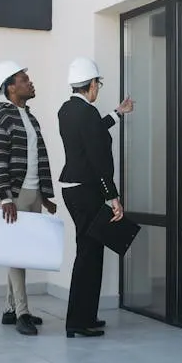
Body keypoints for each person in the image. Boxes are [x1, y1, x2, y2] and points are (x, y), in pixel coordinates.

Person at [57, 57, 133, 338]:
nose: (97, 89)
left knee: (88, 252)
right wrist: (112, 196)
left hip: (72, 189)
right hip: (86, 190)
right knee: (89, 254)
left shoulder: (67, 110)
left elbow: (91, 134)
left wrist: (117, 113)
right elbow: (98, 156)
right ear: (91, 84)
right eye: (97, 84)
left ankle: (84, 316)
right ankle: (78, 322)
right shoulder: (87, 114)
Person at [0, 61, 57, 336]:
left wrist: (46, 196)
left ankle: (9, 308)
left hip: (34, 193)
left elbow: (40, 158)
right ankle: (22, 313)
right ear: (10, 87)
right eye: (24, 79)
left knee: (20, 252)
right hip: (14, 195)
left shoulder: (30, 117)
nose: (30, 83)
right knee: (17, 252)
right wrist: (5, 198)